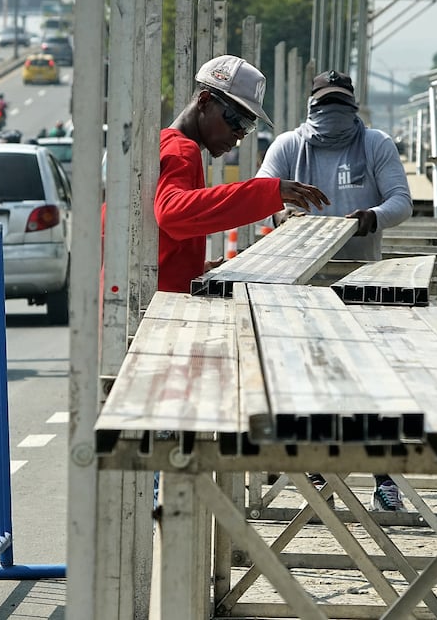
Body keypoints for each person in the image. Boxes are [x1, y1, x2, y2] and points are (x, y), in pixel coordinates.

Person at [257, 70, 413, 512]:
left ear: (353, 107)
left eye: (340, 105)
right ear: (312, 107)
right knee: (311, 376)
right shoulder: (289, 147)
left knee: (370, 382)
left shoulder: (375, 145)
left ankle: (384, 477)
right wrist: (282, 216)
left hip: (362, 282)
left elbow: (401, 200)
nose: (333, 115)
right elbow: (258, 196)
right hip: (301, 286)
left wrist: (371, 218)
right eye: (326, 105)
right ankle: (318, 467)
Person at [154, 54, 330, 293]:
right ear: (204, 101)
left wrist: (189, 266)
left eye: (247, 127)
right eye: (235, 120)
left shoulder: (161, 144)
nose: (238, 135)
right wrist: (269, 191)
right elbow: (171, 214)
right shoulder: (182, 150)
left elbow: (150, 229)